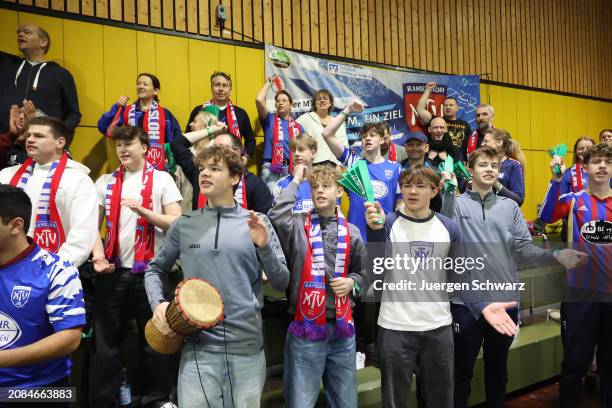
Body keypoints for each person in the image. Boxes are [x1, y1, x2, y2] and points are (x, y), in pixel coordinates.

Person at [440, 146, 587, 408]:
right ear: (470, 170)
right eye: (483, 165)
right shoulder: (456, 203)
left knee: (498, 371)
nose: (489, 169)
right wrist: (448, 193)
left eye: (494, 166)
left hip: (505, 301)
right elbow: (444, 236)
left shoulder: (509, 207)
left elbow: (525, 250)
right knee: (460, 372)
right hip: (465, 304)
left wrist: (555, 254)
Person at [145, 145, 290, 408]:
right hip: (198, 351)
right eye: (202, 169)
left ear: (235, 178)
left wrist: (264, 247)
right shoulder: (184, 224)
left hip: (247, 349)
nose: (205, 174)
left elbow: (281, 282)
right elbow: (155, 269)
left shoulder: (257, 222)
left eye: (214, 168)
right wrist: (159, 304)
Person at [365, 165, 519, 408]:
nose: (412, 191)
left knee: (441, 400)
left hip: (438, 329)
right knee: (393, 402)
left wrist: (482, 306)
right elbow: (375, 274)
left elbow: (461, 276)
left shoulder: (449, 227)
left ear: (434, 190)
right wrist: (373, 233)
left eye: (420, 185)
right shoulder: (388, 224)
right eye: (407, 185)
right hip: (395, 328)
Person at [88, 126, 182, 407]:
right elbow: (91, 224)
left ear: (144, 147)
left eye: (129, 144)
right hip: (112, 271)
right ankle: (105, 400)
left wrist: (143, 210)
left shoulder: (162, 179)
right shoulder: (104, 181)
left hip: (152, 273)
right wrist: (97, 254)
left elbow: (176, 221)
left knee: (156, 339)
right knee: (105, 342)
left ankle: (158, 399)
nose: (123, 150)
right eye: (118, 145)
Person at [268, 165, 367, 407]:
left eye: (326, 186)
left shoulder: (352, 232)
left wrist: (353, 282)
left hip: (343, 330)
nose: (319, 191)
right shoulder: (297, 226)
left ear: (340, 192)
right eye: (314, 187)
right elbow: (276, 216)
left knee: (346, 402)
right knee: (301, 402)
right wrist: (296, 180)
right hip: (305, 330)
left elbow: (367, 275)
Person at [540, 143, 612, 408]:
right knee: (575, 361)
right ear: (585, 167)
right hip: (580, 295)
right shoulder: (574, 199)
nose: (602, 165)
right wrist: (557, 178)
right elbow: (546, 215)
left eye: (607, 161)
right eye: (596, 161)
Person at [0, 185, 84, 400]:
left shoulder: (57, 270)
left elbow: (70, 338)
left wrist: (3, 359)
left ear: (16, 225)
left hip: (41, 390)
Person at [0, 116, 97, 268]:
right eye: (29, 135)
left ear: (60, 142)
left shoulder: (78, 180)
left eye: (39, 136)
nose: (30, 140)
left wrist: (52, 271)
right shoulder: (6, 175)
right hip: (7, 267)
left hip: (52, 271)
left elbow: (82, 236)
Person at [0, 24, 81, 133]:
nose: (20, 34)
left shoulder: (61, 74)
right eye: (18, 32)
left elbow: (74, 113)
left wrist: (58, 135)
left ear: (43, 42)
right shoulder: (6, 64)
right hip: (5, 143)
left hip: (41, 144)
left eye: (27, 32)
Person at [173, 129, 273, 213]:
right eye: (213, 149)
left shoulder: (254, 184)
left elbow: (264, 224)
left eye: (221, 148)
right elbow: (177, 144)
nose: (215, 153)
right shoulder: (201, 173)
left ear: (237, 153)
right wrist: (211, 129)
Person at [97, 73, 182, 171]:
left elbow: (176, 140)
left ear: (155, 90)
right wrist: (117, 107)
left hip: (158, 168)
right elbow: (104, 127)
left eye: (145, 84)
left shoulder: (165, 114)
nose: (141, 86)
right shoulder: (127, 111)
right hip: (129, 167)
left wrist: (171, 163)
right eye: (139, 84)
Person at [185, 71, 256, 158]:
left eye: (225, 85)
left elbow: (250, 141)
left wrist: (245, 157)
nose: (221, 89)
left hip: (233, 162)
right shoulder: (199, 110)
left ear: (230, 89)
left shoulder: (240, 113)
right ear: (211, 88)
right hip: (203, 160)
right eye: (217, 85)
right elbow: (187, 139)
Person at [256, 77, 304, 191]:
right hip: (271, 169)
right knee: (271, 204)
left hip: (291, 169)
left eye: (284, 100)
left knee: (290, 204)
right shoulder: (269, 119)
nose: (280, 103)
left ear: (291, 105)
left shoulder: (298, 127)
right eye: (277, 101)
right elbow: (258, 99)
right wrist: (269, 83)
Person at [296, 89, 348, 166]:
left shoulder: (338, 123)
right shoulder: (305, 119)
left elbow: (344, 147)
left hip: (335, 168)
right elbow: (295, 141)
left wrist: (340, 166)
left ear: (330, 103)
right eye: (319, 99)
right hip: (313, 166)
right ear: (315, 103)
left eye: (325, 98)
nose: (322, 101)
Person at [416, 81, 472, 149]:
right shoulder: (436, 121)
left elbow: (470, 145)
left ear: (457, 108)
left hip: (459, 158)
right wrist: (428, 90)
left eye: (451, 105)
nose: (448, 107)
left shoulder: (465, 125)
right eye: (445, 105)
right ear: (442, 108)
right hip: (438, 157)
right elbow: (420, 109)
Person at [273, 133, 318, 213]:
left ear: (313, 153)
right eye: (293, 151)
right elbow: (277, 217)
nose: (296, 154)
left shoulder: (321, 182)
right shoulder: (281, 184)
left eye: (301, 150)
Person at [481, 128, 526, 206]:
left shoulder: (513, 165)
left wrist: (496, 184)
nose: (482, 144)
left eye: (486, 141)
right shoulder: (481, 165)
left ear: (499, 143)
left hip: (505, 215)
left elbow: (519, 200)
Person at [1, 101, 37, 169]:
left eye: (26, 115)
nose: (21, 117)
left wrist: (32, 130)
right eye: (20, 113)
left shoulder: (38, 144)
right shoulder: (8, 143)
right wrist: (11, 135)